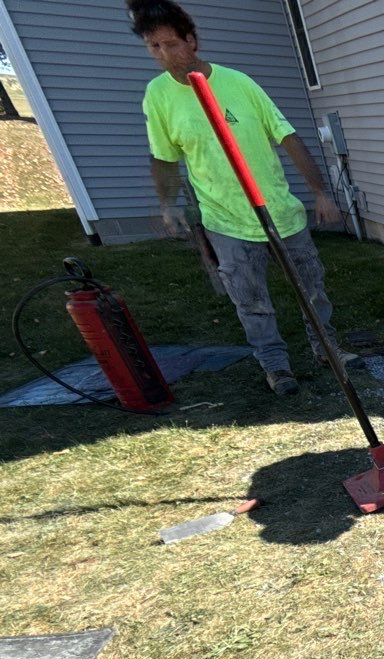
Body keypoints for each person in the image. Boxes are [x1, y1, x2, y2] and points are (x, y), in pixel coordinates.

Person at [129, 0, 352, 395]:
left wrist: (320, 192)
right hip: (226, 221)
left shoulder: (239, 83)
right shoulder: (158, 96)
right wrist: (168, 204)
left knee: (312, 288)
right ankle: (276, 366)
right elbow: (163, 157)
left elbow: (286, 135)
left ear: (192, 40)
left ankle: (326, 348)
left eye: (171, 44)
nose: (165, 56)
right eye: (154, 48)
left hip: (281, 213)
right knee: (250, 301)